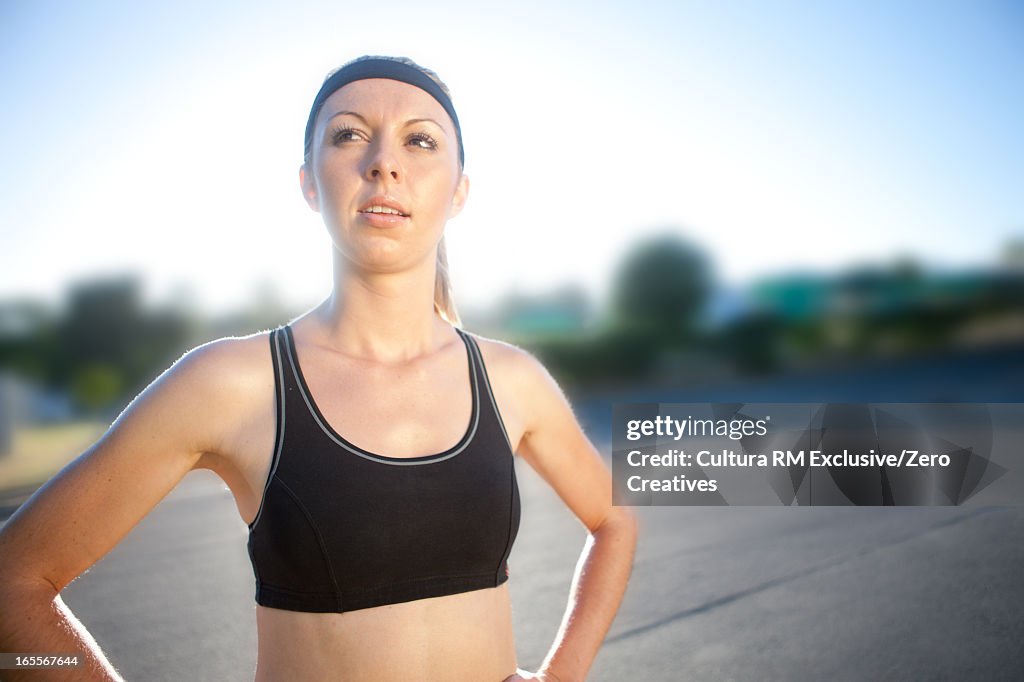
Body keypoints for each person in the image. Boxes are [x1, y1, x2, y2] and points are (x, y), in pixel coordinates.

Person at [0, 55, 638, 681]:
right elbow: (12, 579)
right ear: (310, 181)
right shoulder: (231, 382)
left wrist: (563, 674)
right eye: (349, 134)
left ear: (459, 192)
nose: (384, 162)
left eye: (420, 141)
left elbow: (614, 519)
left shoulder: (512, 380)